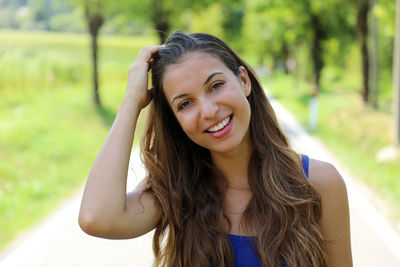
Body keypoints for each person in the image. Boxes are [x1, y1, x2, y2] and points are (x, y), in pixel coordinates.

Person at [78, 31, 352, 267]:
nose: (208, 111)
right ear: (176, 122)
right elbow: (96, 218)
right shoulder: (176, 190)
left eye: (216, 85)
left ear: (243, 81)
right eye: (185, 104)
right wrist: (131, 102)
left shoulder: (318, 184)